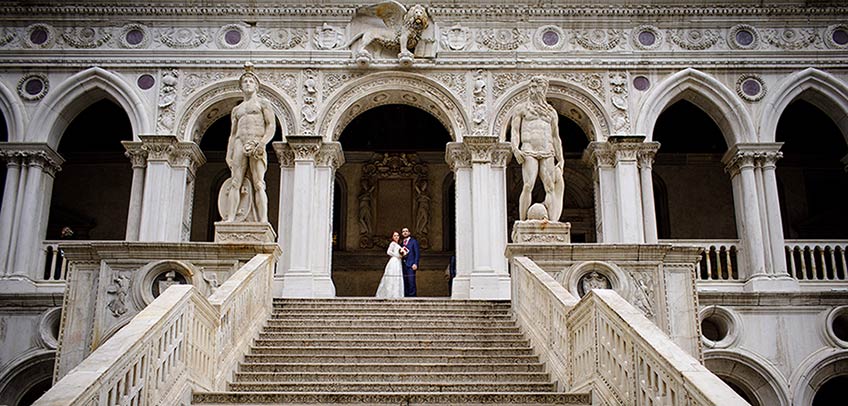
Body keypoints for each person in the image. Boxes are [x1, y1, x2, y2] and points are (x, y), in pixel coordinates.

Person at [222, 63, 276, 223]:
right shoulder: (237, 109)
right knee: (235, 182)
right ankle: (230, 219)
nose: (247, 83)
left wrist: (263, 143)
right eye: (245, 81)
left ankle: (263, 220)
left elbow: (271, 125)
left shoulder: (263, 103)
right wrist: (228, 154)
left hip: (256, 142)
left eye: (251, 81)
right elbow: (232, 134)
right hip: (239, 142)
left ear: (257, 86)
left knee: (259, 183)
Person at [510, 76, 565, 222]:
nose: (533, 90)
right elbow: (515, 131)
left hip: (548, 151)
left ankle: (552, 222)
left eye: (537, 87)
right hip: (529, 150)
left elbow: (555, 136)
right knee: (528, 185)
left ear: (544, 89)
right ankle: (522, 222)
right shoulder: (521, 109)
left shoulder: (550, 112)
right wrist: (515, 148)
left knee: (550, 188)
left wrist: (561, 158)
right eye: (532, 87)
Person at [375, 231, 404, 298]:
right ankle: (389, 293)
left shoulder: (399, 245)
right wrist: (397, 255)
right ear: (392, 237)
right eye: (395, 236)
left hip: (398, 262)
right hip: (394, 261)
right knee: (392, 275)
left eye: (397, 236)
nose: (396, 237)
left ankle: (397, 294)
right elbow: (388, 252)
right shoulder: (392, 244)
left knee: (397, 276)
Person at [401, 227, 420, 297]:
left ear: (409, 233)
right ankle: (406, 296)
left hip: (411, 264)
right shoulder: (401, 243)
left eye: (406, 231)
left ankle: (412, 296)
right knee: (405, 281)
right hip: (403, 265)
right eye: (403, 231)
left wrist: (415, 263)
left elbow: (417, 253)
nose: (405, 232)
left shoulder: (413, 241)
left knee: (411, 281)